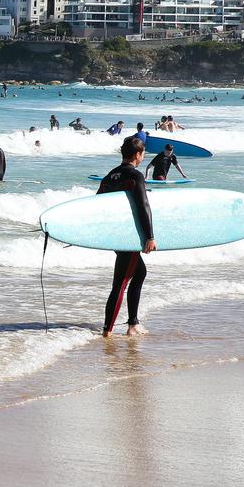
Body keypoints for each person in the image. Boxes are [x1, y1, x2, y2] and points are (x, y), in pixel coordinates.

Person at [96, 137, 156, 337]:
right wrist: (149, 236)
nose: (143, 156)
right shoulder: (135, 176)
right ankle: (109, 331)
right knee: (120, 283)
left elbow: (96, 205)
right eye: (143, 153)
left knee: (139, 273)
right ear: (137, 155)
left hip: (114, 235)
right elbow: (143, 205)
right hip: (128, 236)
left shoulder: (109, 176)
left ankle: (133, 323)